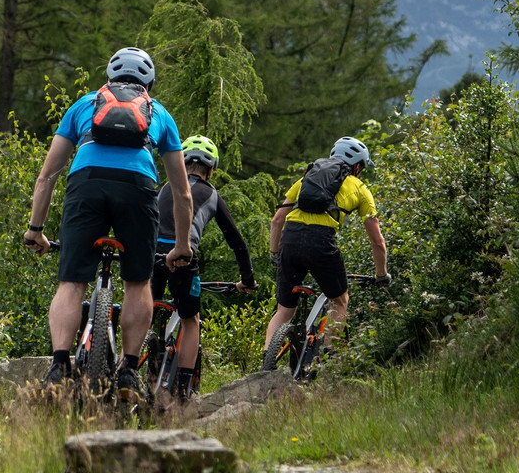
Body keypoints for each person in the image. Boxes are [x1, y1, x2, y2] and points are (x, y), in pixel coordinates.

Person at [24, 47, 193, 402]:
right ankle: (129, 372)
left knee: (72, 282)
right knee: (138, 282)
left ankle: (58, 367)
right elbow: (182, 193)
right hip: (138, 188)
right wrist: (181, 246)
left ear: (109, 78)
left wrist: (36, 229)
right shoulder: (159, 113)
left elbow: (46, 176)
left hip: (86, 185)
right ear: (149, 83)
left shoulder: (84, 105)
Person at [263, 136, 391, 358]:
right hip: (320, 242)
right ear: (358, 166)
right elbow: (377, 241)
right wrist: (381, 274)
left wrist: (275, 253)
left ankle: (267, 361)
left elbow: (276, 221)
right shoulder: (359, 188)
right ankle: (328, 358)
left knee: (284, 310)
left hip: (290, 239)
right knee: (339, 300)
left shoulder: (306, 180)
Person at [152, 135, 257, 401]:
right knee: (191, 320)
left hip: (150, 255)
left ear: (182, 163)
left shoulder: (165, 188)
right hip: (181, 258)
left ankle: (132, 366)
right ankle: (185, 392)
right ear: (210, 169)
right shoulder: (211, 193)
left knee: (143, 311)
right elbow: (237, 243)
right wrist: (247, 279)